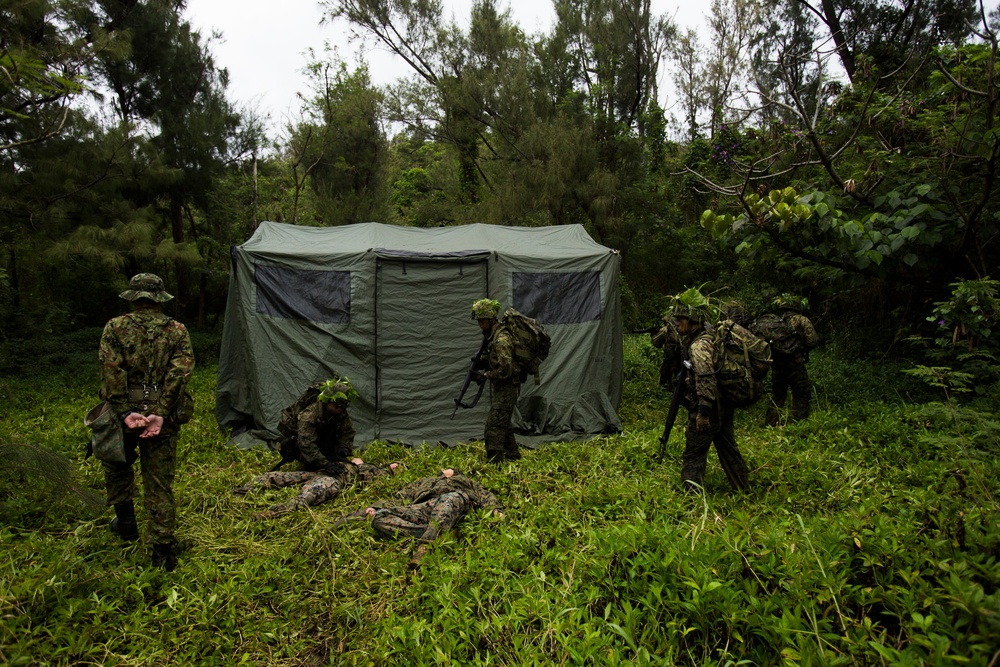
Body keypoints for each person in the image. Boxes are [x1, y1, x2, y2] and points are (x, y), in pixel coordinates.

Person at [98, 273, 194, 571]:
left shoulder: (115, 327)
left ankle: (126, 524)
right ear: (159, 297)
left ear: (134, 297)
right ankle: (162, 553)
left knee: (117, 464)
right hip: (159, 414)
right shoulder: (176, 330)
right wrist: (161, 411)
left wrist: (126, 412)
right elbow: (180, 374)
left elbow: (110, 371)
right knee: (159, 482)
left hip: (123, 412)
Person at [341, 468, 503, 569]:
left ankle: (425, 548)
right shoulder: (425, 482)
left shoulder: (465, 482)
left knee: (451, 498)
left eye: (452, 469)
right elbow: (400, 497)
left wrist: (495, 509)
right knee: (380, 517)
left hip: (454, 503)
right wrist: (375, 507)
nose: (447, 470)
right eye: (445, 468)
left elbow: (485, 495)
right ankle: (442, 533)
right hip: (424, 508)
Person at [672, 292, 750, 492]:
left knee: (693, 455)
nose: (676, 322)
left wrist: (703, 412)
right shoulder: (710, 335)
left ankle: (691, 498)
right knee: (728, 448)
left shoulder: (699, 345)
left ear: (693, 321)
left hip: (709, 408)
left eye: (680, 319)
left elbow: (706, 376)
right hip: (723, 403)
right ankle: (742, 488)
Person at [234, 457, 400, 519]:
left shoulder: (375, 473)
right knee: (280, 477)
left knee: (309, 496)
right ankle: (244, 489)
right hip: (324, 471)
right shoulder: (358, 463)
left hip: (334, 479)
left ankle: (272, 512)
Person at [471, 298, 522, 463]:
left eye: (482, 321)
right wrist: (484, 361)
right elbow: (498, 360)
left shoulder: (501, 339)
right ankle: (514, 457)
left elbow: (506, 369)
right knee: (503, 425)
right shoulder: (493, 336)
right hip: (502, 387)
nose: (480, 325)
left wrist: (485, 375)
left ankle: (495, 464)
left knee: (493, 428)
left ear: (490, 319)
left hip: (508, 388)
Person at [762, 294, 822, 426]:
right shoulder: (802, 320)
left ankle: (770, 422)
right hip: (795, 363)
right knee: (802, 391)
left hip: (777, 364)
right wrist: (801, 347)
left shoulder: (775, 322)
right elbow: (813, 340)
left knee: (778, 394)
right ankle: (799, 423)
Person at [651, 313, 683, 388]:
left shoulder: (665, 331)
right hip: (681, 358)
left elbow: (656, 344)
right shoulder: (684, 330)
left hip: (670, 359)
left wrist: (653, 335)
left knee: (664, 376)